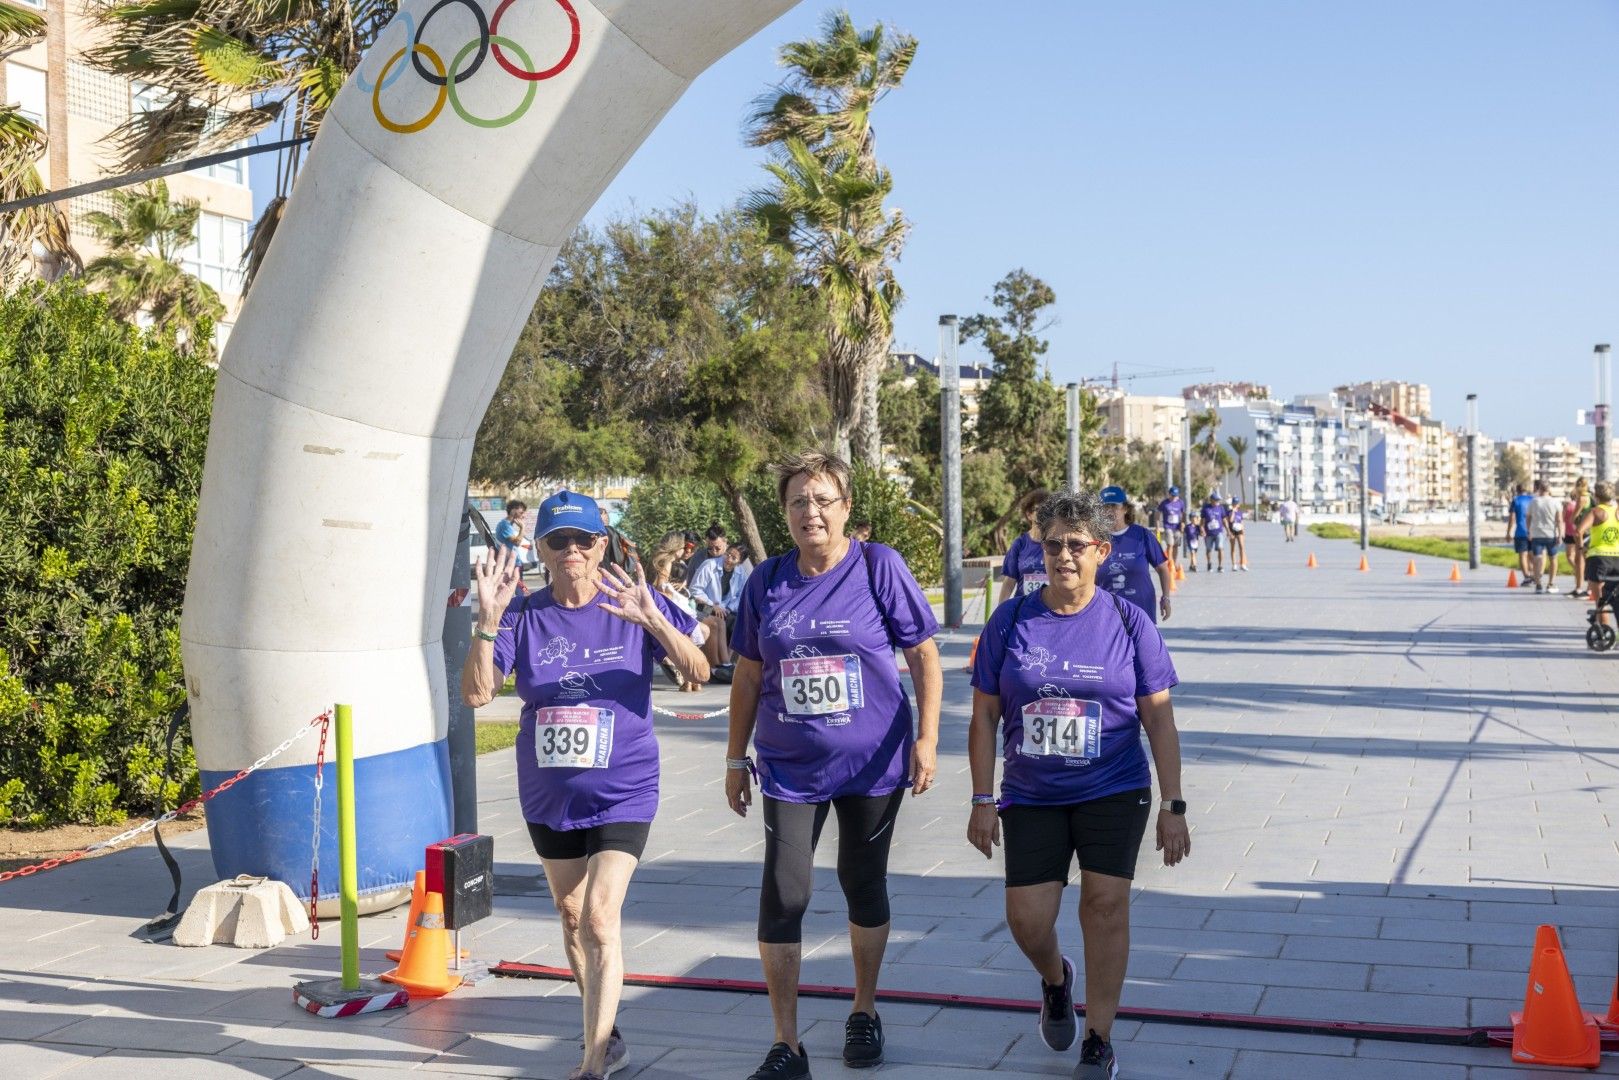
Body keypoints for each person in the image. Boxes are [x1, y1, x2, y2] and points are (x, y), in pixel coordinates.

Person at [463, 489, 709, 1080]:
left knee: (600, 915)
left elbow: (699, 670)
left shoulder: (630, 599)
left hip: (625, 786)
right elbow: (476, 694)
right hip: (550, 794)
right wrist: (488, 624)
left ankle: (593, 1063)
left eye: (583, 539)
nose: (572, 550)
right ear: (542, 550)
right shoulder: (523, 613)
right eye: (558, 540)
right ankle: (606, 1031)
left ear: (603, 544)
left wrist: (653, 618)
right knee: (571, 915)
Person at [725, 451, 943, 1078]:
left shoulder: (879, 568)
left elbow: (924, 658)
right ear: (784, 512)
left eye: (822, 500)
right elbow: (747, 674)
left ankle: (864, 1010)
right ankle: (787, 1044)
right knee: (784, 892)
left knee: (862, 878)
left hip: (873, 762)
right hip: (790, 766)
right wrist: (735, 757)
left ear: (846, 508)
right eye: (798, 501)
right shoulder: (766, 582)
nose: (810, 512)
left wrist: (926, 740)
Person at [967, 488, 1189, 1080]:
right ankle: (1056, 979)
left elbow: (1158, 716)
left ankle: (1099, 1038)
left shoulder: (1127, 621)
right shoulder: (1011, 619)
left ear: (1101, 550)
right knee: (1027, 919)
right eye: (1053, 544)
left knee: (1105, 903)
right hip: (1032, 794)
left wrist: (1174, 804)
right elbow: (985, 716)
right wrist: (982, 799)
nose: (1064, 555)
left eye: (1077, 545)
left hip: (1114, 786)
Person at [1097, 486, 1171, 624]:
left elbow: (1163, 569)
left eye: (1114, 506)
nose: (1109, 511)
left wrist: (1165, 598)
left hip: (1142, 611)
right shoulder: (1095, 539)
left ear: (1125, 508)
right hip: (1107, 615)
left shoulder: (1142, 535)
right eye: (1104, 507)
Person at [1000, 490, 1051, 602]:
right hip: (1023, 610)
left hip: (1050, 611)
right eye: (1038, 509)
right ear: (1029, 514)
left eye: (1047, 509)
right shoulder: (1019, 544)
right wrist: (1001, 612)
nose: (1043, 513)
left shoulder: (1057, 543)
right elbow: (1009, 582)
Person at [1578, 483, 1619, 623]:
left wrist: (1581, 549)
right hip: (1617, 558)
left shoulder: (1595, 512)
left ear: (1596, 496)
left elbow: (1579, 532)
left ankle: (1604, 635)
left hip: (1599, 559)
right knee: (1615, 599)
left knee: (1601, 602)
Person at [1527, 481, 1562, 594]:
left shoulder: (1534, 501)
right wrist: (1560, 535)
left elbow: (1528, 518)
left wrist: (1529, 532)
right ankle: (1551, 583)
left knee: (1537, 559)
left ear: (1539, 489)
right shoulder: (1555, 502)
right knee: (1553, 559)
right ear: (1549, 489)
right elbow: (1559, 520)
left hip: (1537, 534)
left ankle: (1538, 584)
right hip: (1551, 535)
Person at [495, 500, 533, 586]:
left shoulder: (508, 525)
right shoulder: (505, 525)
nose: (523, 516)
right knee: (517, 590)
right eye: (521, 512)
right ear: (513, 510)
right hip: (511, 564)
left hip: (514, 563)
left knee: (518, 589)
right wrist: (522, 528)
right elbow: (517, 542)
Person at [1565, 478, 1592, 598]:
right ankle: (1581, 588)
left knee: (1580, 560)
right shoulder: (1590, 496)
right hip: (1587, 531)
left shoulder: (1582, 498)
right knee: (1582, 560)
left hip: (1582, 531)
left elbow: (1573, 516)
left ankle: (1582, 589)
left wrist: (1572, 519)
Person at [598, 506, 641, 577]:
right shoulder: (619, 535)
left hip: (605, 575)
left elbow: (618, 558)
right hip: (619, 576)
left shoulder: (603, 533)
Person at [1507, 483, 1534, 584]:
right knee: (1532, 555)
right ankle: (1534, 575)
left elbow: (1512, 517)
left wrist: (1508, 532)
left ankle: (1527, 577)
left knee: (1523, 555)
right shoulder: (1532, 499)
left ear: (1517, 491)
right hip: (1533, 531)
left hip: (1520, 532)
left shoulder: (1516, 500)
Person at [1157, 486, 1186, 563]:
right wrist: (1158, 526)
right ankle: (1169, 562)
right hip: (1168, 527)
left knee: (1176, 546)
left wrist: (1183, 523)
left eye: (1176, 495)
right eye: (1172, 495)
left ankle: (1174, 562)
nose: (1174, 497)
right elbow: (1158, 514)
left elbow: (1183, 514)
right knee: (1170, 545)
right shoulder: (1164, 503)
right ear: (1169, 494)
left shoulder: (1180, 503)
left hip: (1177, 527)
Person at [1200, 494, 1227, 572]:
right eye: (1216, 500)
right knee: (1208, 549)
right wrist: (1202, 530)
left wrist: (1228, 530)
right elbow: (1202, 522)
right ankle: (1209, 563)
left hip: (1219, 532)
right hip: (1208, 533)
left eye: (1218, 500)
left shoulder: (1221, 508)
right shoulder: (1206, 508)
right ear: (1211, 500)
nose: (1218, 502)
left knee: (1220, 548)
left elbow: (1224, 520)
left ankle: (1220, 566)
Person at [1227, 498, 1248, 570]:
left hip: (1239, 530)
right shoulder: (1229, 512)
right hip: (1232, 530)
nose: (1235, 505)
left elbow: (1241, 522)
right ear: (1232, 504)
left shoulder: (1240, 512)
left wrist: (1243, 532)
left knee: (1241, 547)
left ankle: (1242, 564)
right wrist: (1233, 511)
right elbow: (1230, 520)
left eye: (1236, 503)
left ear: (1238, 504)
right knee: (1233, 548)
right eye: (1234, 503)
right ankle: (1234, 564)